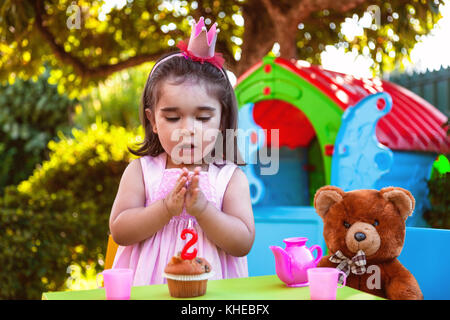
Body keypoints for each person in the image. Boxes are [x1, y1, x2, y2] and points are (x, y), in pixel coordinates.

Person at [109, 17, 255, 286]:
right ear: (153, 121)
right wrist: (166, 209)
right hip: (150, 289)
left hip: (211, 293)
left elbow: (242, 243)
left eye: (202, 118)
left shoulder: (229, 178)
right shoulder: (142, 172)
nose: (188, 129)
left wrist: (203, 210)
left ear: (221, 121)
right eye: (173, 118)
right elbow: (120, 230)